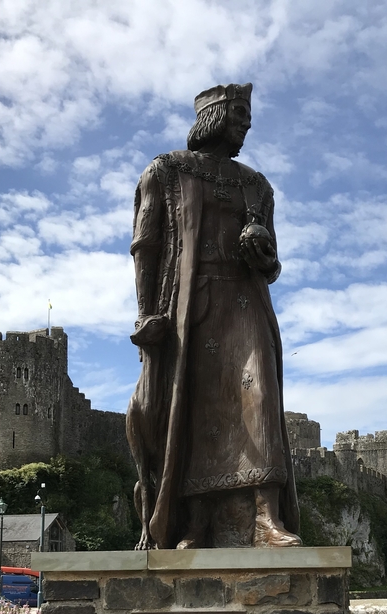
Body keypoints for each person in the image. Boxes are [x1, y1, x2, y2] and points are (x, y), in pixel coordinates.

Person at [126, 83, 301, 550]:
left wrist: (261, 249)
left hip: (245, 303)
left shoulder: (256, 184)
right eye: (238, 114)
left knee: (258, 396)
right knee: (196, 407)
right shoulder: (166, 171)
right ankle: (196, 523)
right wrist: (147, 313)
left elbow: (273, 265)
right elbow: (146, 245)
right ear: (213, 116)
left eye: (248, 116)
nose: (245, 124)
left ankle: (266, 518)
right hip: (190, 304)